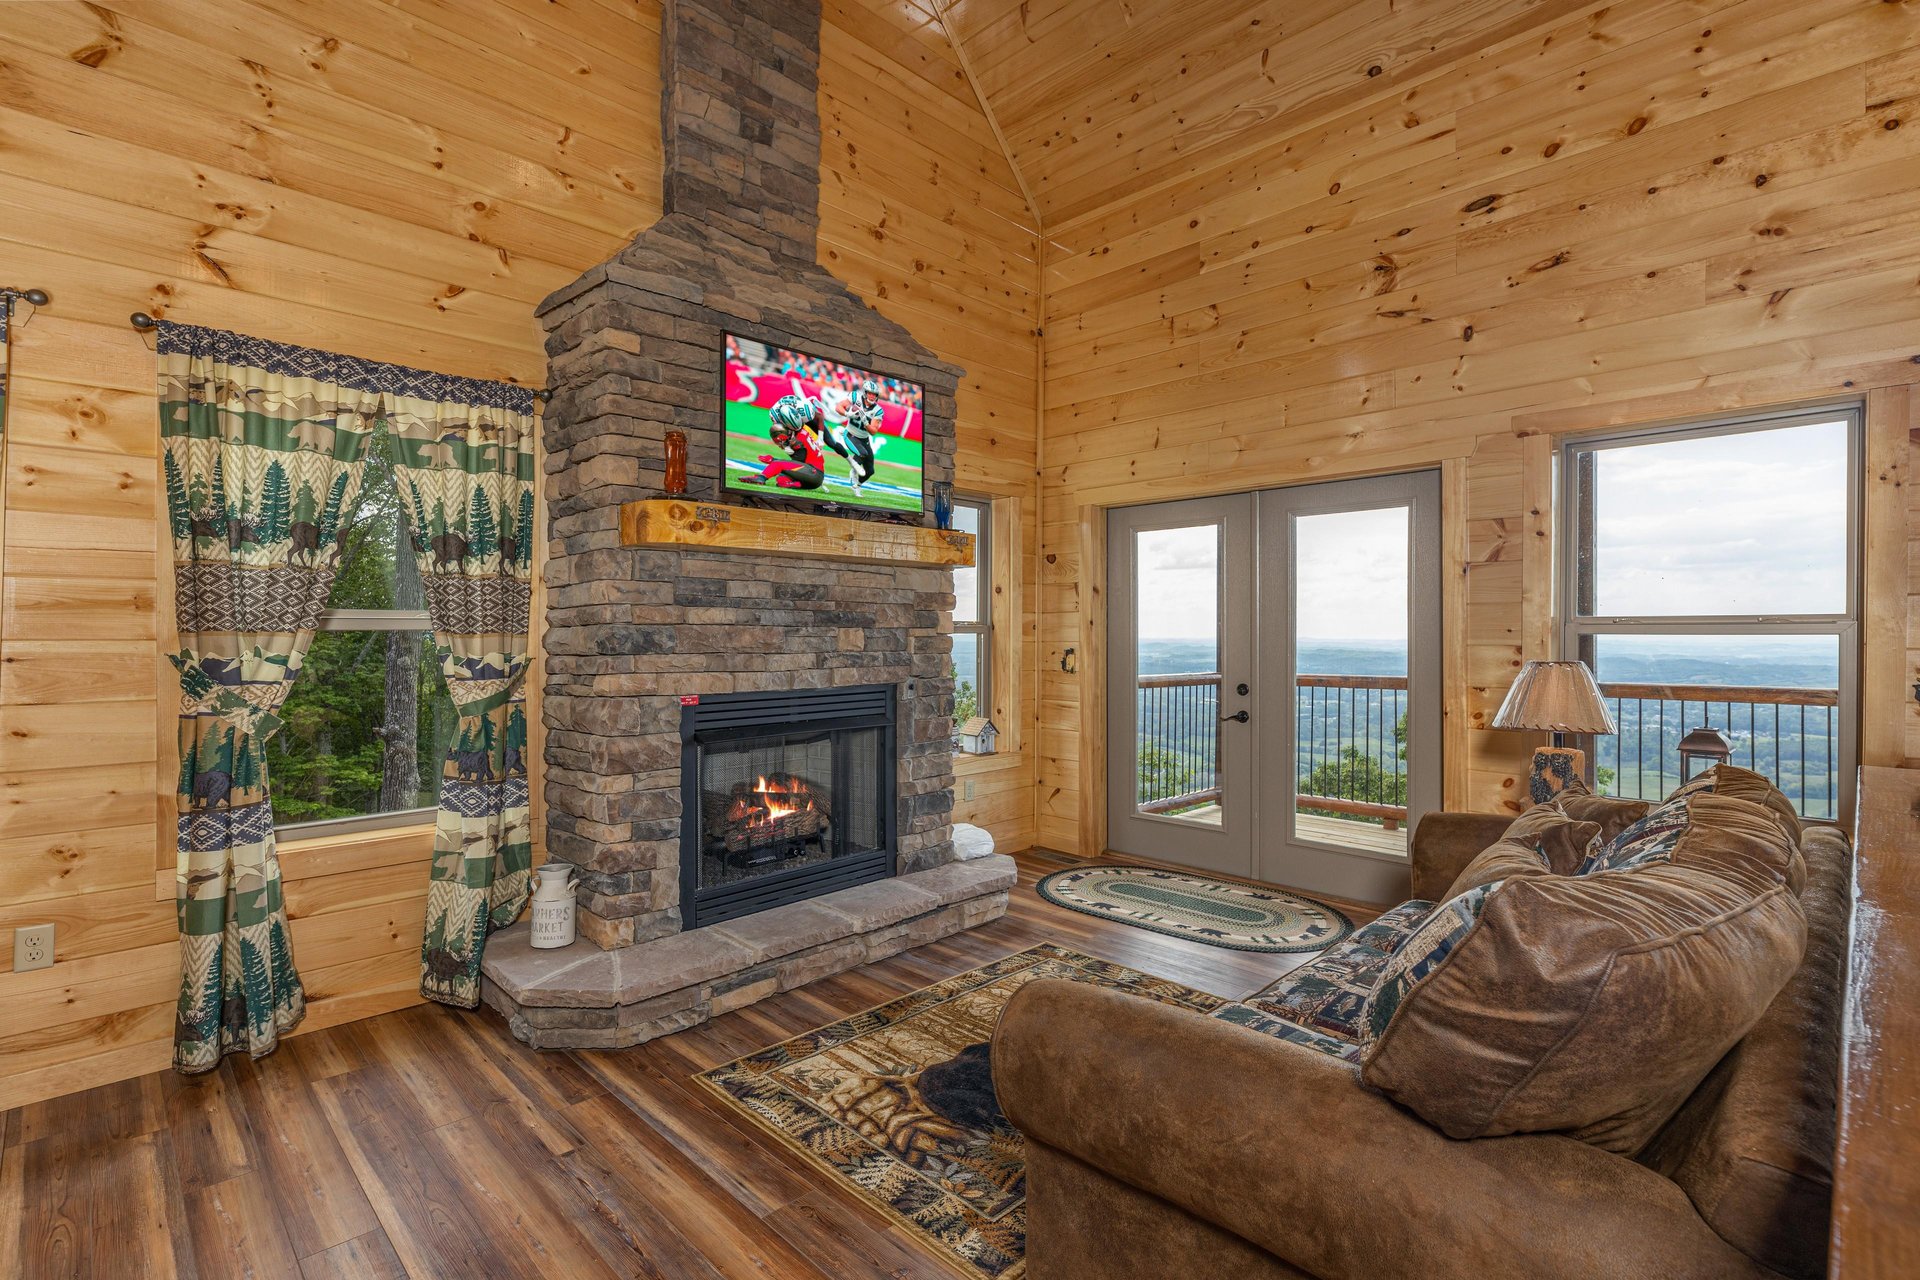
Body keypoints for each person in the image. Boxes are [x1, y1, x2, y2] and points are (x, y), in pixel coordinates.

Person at [741, 394, 826, 490]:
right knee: (781, 479)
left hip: (813, 472)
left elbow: (800, 460)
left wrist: (773, 460)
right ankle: (796, 484)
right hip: (813, 475)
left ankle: (761, 478)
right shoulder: (801, 432)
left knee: (778, 464)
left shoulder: (797, 438)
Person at [825, 379, 885, 496]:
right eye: (870, 393)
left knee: (870, 471)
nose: (872, 396)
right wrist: (848, 414)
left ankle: (857, 485)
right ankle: (853, 470)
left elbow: (873, 431)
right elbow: (838, 407)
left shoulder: (878, 410)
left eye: (874, 394)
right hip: (850, 434)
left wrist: (865, 422)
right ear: (865, 392)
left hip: (864, 439)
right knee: (862, 453)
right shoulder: (855, 397)